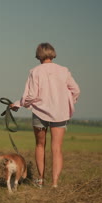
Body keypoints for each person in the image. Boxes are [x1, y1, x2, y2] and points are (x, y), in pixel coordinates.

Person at [10, 43, 80, 188]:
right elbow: (76, 90)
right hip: (60, 114)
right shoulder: (64, 70)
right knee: (57, 149)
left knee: (40, 145)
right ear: (52, 53)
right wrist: (66, 103)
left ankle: (41, 180)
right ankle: (54, 184)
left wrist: (18, 103)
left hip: (40, 113)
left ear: (38, 55)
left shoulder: (35, 71)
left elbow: (31, 95)